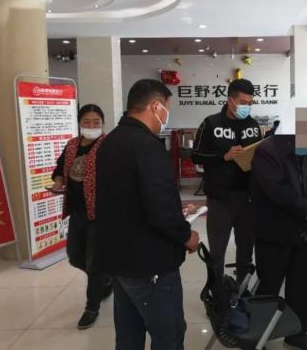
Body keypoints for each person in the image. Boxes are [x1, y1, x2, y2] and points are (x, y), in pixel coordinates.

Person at [95, 79, 199, 350]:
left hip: (119, 258)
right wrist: (186, 235)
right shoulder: (147, 146)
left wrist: (173, 210)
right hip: (150, 264)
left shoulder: (110, 142)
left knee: (129, 335)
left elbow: (127, 198)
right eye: (167, 108)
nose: (167, 115)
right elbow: (160, 211)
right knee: (169, 334)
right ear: (155, 106)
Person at [251, 130, 307, 350]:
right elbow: (278, 192)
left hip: (300, 231)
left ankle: (297, 334)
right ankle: (256, 337)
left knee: (300, 287)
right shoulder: (267, 151)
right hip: (273, 232)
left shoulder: (303, 149)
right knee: (269, 287)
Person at [191, 79, 262, 283]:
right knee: (217, 251)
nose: (247, 107)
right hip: (220, 199)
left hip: (247, 198)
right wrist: (224, 156)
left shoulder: (253, 125)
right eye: (243, 102)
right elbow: (196, 156)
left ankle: (242, 289)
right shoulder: (211, 123)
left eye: (250, 103)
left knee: (245, 250)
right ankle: (217, 292)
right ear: (230, 100)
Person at [50, 104, 111, 330]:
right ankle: (105, 278)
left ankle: (91, 307)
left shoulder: (108, 145)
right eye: (87, 121)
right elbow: (60, 169)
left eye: (96, 122)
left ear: (102, 124)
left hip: (100, 212)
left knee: (93, 262)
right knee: (75, 257)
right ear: (79, 123)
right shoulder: (72, 145)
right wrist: (58, 182)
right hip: (77, 210)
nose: (91, 125)